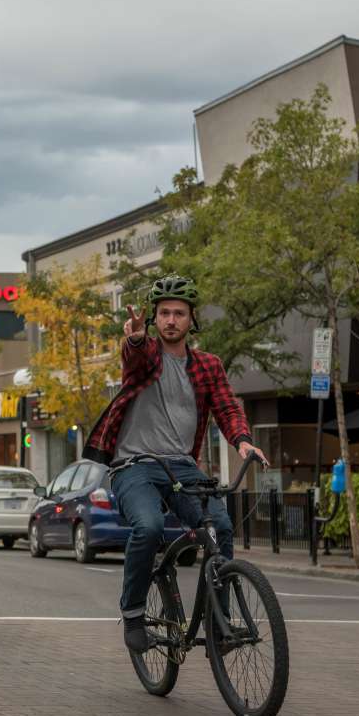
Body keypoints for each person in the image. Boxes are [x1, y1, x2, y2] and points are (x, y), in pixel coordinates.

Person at [82, 275, 266, 653]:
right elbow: (134, 356)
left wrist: (243, 441)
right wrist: (133, 337)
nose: (170, 320)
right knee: (148, 527)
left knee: (221, 527)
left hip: (181, 466)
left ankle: (220, 621)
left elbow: (228, 407)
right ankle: (133, 613)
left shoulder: (208, 365)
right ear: (154, 318)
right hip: (134, 464)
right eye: (164, 313)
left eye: (179, 313)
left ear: (191, 319)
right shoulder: (146, 354)